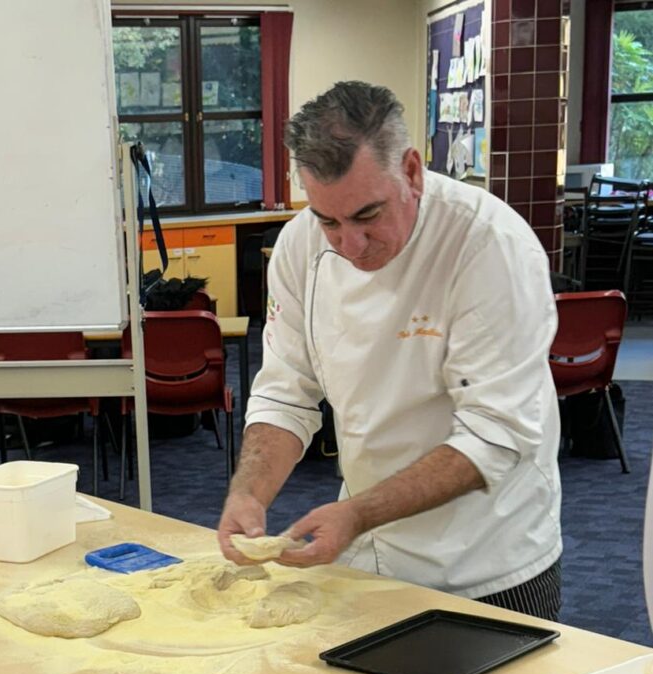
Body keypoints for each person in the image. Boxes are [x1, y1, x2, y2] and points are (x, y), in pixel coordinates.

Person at [218, 81, 563, 619]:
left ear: (411, 170)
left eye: (367, 216)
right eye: (327, 220)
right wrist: (249, 494)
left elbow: (495, 434)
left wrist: (356, 513)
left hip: (485, 561)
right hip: (366, 558)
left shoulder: (489, 246)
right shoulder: (298, 247)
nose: (349, 245)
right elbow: (287, 394)